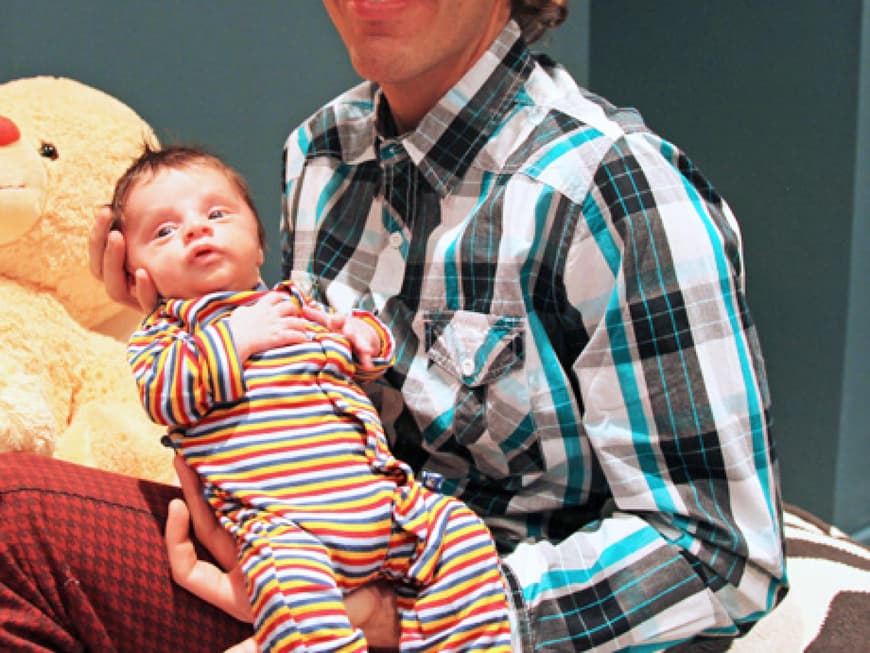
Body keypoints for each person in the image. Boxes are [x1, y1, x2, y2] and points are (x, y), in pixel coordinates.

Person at [0, 1, 788, 651]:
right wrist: (182, 313)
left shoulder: (616, 193)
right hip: (297, 548)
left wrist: (390, 620)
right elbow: (299, 376)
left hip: (474, 605)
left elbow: (720, 555)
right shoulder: (319, 152)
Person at [112, 144, 512, 652]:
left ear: (259, 247)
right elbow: (163, 395)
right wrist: (233, 338)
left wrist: (364, 338)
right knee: (291, 604)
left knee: (460, 533)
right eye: (164, 231)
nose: (195, 230)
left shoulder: (294, 303)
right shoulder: (167, 333)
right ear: (137, 276)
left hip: (385, 504)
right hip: (284, 527)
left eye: (216, 214)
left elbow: (352, 358)